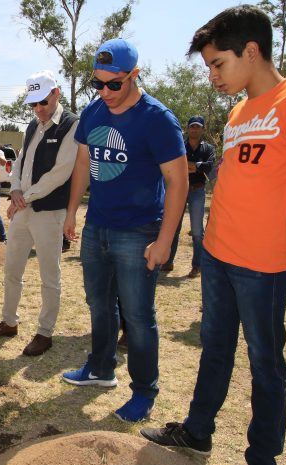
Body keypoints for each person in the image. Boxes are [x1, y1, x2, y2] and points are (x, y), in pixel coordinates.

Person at [140, 7, 286, 465]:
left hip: (265, 265)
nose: (213, 75)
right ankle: (198, 430)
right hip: (219, 257)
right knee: (215, 348)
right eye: (208, 66)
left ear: (251, 51)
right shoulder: (239, 113)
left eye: (218, 64)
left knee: (267, 367)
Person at [61, 39, 188, 422]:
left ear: (134, 76)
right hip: (98, 224)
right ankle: (100, 368)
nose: (104, 92)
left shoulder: (158, 119)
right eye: (96, 84)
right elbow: (83, 163)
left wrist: (164, 241)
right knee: (99, 306)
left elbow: (178, 182)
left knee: (137, 316)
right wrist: (72, 213)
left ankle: (145, 392)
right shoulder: (94, 112)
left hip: (138, 232)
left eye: (113, 84)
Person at [0, 70, 79, 357]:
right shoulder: (33, 126)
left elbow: (60, 173)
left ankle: (45, 332)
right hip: (24, 208)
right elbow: (20, 161)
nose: (38, 109)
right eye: (33, 104)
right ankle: (9, 322)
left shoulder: (71, 125)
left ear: (56, 94)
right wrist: (16, 190)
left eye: (43, 103)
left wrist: (25, 196)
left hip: (49, 212)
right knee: (12, 269)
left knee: (50, 275)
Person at [163, 115, 216, 277]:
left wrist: (195, 166)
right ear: (187, 128)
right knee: (174, 226)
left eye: (198, 127)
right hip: (179, 190)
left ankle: (197, 266)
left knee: (197, 231)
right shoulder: (179, 146)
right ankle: (168, 261)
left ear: (203, 129)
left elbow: (210, 166)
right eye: (192, 126)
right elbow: (173, 164)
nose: (194, 129)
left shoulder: (208, 149)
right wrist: (195, 167)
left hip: (197, 191)